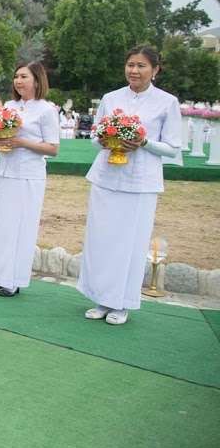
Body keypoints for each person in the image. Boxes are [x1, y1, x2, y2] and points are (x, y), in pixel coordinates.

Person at [78, 46, 181, 326]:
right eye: (130, 65)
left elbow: (172, 148)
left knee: (130, 243)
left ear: (155, 70)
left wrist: (143, 143)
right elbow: (94, 135)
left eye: (141, 66)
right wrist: (103, 140)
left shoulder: (167, 102)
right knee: (101, 240)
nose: (134, 71)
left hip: (141, 182)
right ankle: (100, 298)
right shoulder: (111, 98)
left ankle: (121, 303)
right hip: (106, 177)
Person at [0, 62, 59, 297]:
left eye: (24, 76)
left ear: (37, 80)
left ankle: (14, 280)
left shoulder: (46, 110)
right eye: (16, 76)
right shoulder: (9, 107)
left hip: (28, 175)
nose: (18, 81)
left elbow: (52, 148)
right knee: (0, 224)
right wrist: (0, 140)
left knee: (21, 225)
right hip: (5, 170)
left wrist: (22, 143)